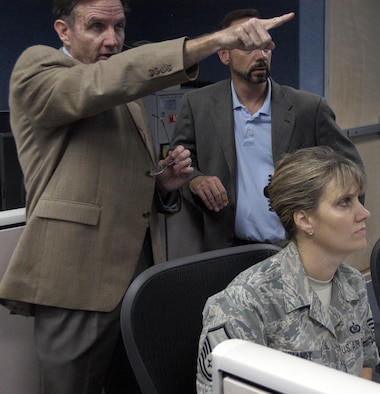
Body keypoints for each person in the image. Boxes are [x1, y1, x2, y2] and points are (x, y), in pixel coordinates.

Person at [0, 1, 295, 393]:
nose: (112, 39)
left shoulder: (124, 99)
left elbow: (115, 179)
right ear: (63, 31)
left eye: (119, 27)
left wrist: (164, 184)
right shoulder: (39, 70)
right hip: (77, 278)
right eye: (96, 27)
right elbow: (98, 84)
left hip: (135, 280)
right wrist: (214, 42)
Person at [171, 8, 364, 252]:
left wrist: (340, 235)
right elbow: (179, 163)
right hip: (226, 250)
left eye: (265, 47)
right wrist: (195, 180)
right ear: (224, 55)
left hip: (294, 249)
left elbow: (351, 171)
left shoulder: (308, 108)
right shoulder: (197, 104)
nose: (261, 55)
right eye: (248, 46)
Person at [196, 146, 379, 393]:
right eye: (344, 202)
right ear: (304, 220)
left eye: (358, 199)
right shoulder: (243, 304)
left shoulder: (353, 283)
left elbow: (365, 364)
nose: (364, 213)